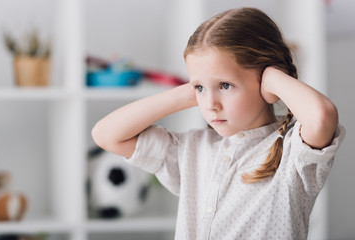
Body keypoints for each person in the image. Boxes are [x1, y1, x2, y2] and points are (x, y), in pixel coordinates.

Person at [92, 7, 345, 240]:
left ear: (267, 84)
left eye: (225, 85)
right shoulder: (190, 149)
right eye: (200, 87)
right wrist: (186, 93)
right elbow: (106, 134)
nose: (210, 104)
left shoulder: (293, 154)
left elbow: (322, 116)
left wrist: (272, 78)